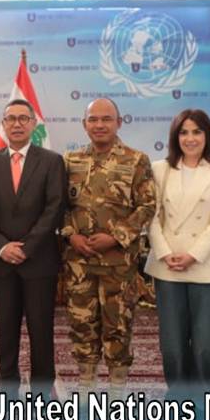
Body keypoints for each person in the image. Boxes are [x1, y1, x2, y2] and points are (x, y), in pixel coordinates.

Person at [61, 98, 156, 397]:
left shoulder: (136, 160)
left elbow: (147, 206)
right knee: (81, 324)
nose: (99, 125)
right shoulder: (70, 160)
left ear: (119, 122)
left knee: (118, 325)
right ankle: (86, 386)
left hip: (118, 264)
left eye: (106, 119)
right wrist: (70, 235)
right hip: (79, 262)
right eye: (93, 119)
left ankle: (116, 391)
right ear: (84, 124)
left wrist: (116, 236)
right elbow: (58, 205)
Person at [0, 98, 66, 398]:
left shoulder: (51, 161)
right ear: (3, 125)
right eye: (10, 119)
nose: (16, 124)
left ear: (33, 124)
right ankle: (7, 391)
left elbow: (54, 208)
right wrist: (2, 246)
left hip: (39, 260)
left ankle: (42, 393)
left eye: (23, 118)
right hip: (3, 261)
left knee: (41, 329)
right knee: (6, 329)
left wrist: (26, 247)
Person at [144, 109, 210, 404]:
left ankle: (206, 401)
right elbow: (152, 216)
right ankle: (178, 398)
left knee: (207, 344)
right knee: (172, 344)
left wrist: (193, 255)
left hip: (208, 264)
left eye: (197, 131)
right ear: (175, 137)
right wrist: (165, 252)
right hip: (168, 265)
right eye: (184, 132)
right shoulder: (159, 169)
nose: (190, 138)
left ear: (208, 135)